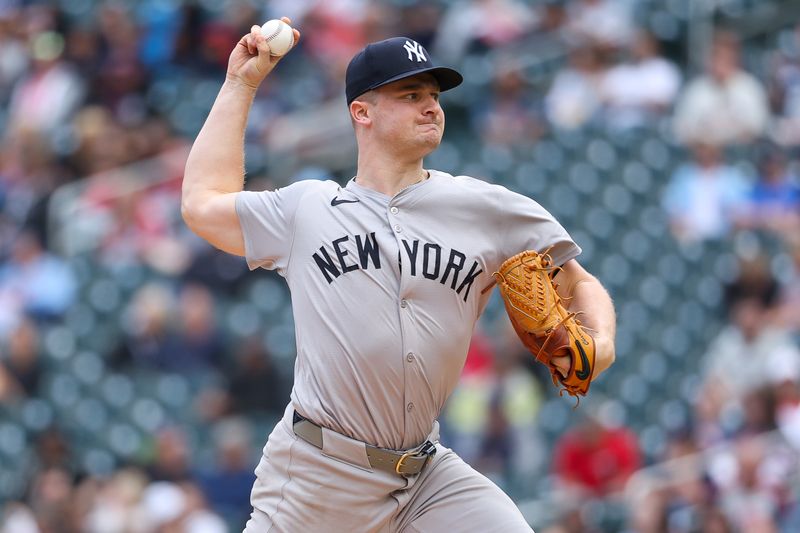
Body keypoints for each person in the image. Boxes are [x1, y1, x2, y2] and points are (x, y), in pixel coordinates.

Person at [182, 18, 616, 532]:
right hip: (318, 477)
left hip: (425, 478)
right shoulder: (308, 209)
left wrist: (601, 341)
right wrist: (241, 84)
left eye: (433, 94)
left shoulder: (487, 209)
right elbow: (202, 203)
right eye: (410, 94)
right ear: (361, 112)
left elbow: (579, 282)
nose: (431, 105)